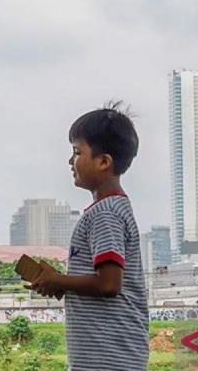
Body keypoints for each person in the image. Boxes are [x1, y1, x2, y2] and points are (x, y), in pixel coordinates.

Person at [26, 101, 149, 371]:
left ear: (104, 162)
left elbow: (108, 284)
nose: (71, 161)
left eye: (77, 152)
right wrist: (61, 283)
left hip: (108, 361)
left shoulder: (106, 214)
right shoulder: (109, 209)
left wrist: (57, 278)